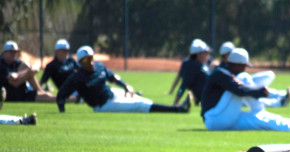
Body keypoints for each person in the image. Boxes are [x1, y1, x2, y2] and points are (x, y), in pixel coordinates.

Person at [200, 48, 290, 131]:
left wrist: (259, 91)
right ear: (237, 64)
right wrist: (258, 92)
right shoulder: (220, 72)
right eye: (244, 65)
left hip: (223, 119)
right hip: (214, 118)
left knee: (264, 119)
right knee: (244, 77)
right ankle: (262, 107)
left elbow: (240, 89)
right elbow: (239, 90)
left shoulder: (227, 72)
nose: (245, 68)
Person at [56, 46, 190, 113]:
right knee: (139, 105)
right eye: (86, 60)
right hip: (102, 105)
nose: (90, 62)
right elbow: (61, 95)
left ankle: (175, 107)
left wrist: (125, 85)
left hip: (112, 93)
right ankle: (177, 109)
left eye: (91, 58)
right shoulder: (77, 77)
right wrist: (62, 111)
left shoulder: (99, 66)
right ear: (80, 62)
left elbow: (112, 77)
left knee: (141, 99)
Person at [218, 41, 290, 108]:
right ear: (226, 55)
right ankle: (279, 102)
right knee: (254, 95)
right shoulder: (223, 69)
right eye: (231, 53)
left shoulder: (230, 65)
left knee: (267, 80)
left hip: (240, 89)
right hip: (232, 96)